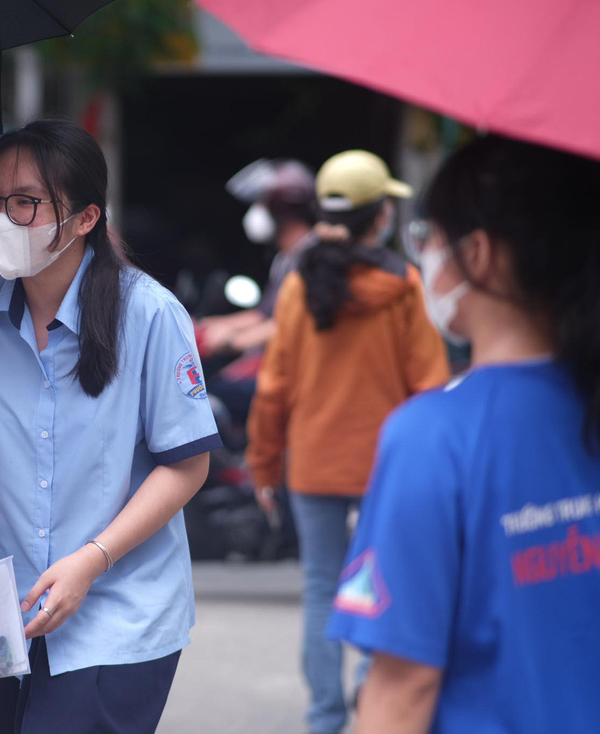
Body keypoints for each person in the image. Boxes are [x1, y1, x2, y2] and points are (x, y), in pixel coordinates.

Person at [0, 119, 219, 734]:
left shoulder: (150, 313)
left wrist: (91, 561)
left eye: (24, 203)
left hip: (118, 612)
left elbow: (187, 464)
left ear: (86, 218)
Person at [328, 137, 600, 733]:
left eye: (429, 237)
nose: (426, 257)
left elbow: (402, 691)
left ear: (480, 255)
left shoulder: (433, 437)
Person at [245, 149, 449, 734]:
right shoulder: (405, 285)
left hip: (312, 465)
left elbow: (272, 389)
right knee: (384, 587)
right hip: (391, 469)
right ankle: (371, 706)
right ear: (380, 216)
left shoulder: (297, 285)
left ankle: (324, 718)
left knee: (320, 590)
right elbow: (430, 387)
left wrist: (264, 467)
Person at [199, 158, 317, 359]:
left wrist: (233, 339)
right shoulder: (285, 257)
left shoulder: (314, 256)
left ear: (281, 208)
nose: (255, 212)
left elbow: (296, 323)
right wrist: (207, 325)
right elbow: (264, 314)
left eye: (261, 203)